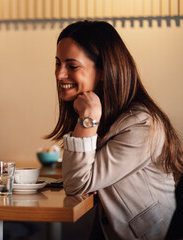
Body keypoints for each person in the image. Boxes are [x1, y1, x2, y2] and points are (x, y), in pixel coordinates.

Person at [47, 20, 183, 239]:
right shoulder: (111, 116)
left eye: (72, 66)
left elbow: (76, 183)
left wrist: (88, 119)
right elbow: (80, 180)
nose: (59, 74)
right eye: (57, 63)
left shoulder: (142, 125)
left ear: (103, 71)